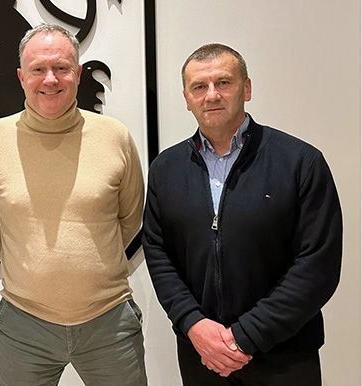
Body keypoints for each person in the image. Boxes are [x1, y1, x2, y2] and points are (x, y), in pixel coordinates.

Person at [142, 43, 342, 385]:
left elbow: (317, 265)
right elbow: (159, 254)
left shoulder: (300, 162)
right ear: (187, 98)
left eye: (224, 83)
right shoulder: (166, 169)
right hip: (202, 356)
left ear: (246, 88)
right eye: (199, 87)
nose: (212, 95)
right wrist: (194, 325)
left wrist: (243, 338)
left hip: (284, 357)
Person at [0, 24, 147, 386]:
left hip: (109, 322)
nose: (50, 79)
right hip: (24, 326)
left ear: (78, 74)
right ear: (21, 77)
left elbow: (130, 218)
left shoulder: (115, 137)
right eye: (38, 69)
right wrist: (30, 262)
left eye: (61, 68)